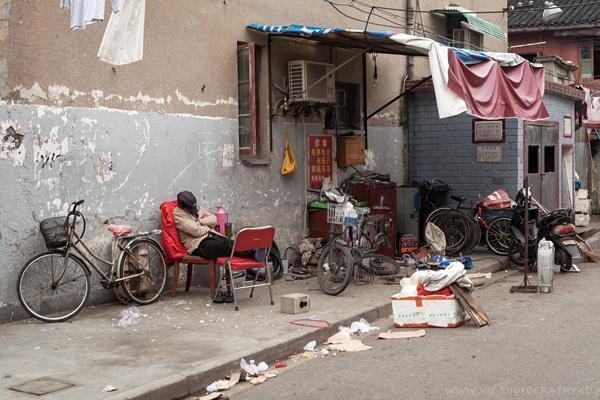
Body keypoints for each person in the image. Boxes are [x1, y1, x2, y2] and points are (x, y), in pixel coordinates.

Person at [172, 191, 237, 303]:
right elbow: (196, 231)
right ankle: (253, 251)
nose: (194, 210)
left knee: (229, 243)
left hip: (210, 238)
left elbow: (214, 219)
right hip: (197, 245)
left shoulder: (194, 209)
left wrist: (200, 221)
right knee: (225, 245)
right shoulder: (178, 214)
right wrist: (206, 227)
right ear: (182, 206)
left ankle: (254, 250)